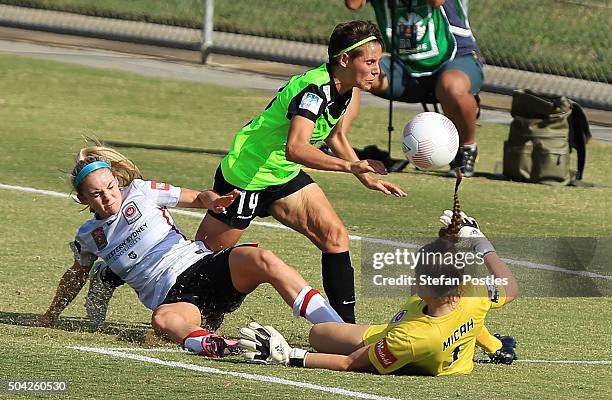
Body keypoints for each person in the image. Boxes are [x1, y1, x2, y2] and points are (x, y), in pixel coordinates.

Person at [35, 145, 344, 357]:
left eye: (111, 188)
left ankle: (337, 330)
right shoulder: (88, 236)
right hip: (173, 298)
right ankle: (232, 347)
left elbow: (197, 198)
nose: (108, 198)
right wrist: (50, 315)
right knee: (164, 322)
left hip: (198, 265)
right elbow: (75, 275)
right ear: (82, 199)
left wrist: (212, 201)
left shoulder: (141, 191)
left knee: (261, 257)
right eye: (96, 194)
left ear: (117, 181)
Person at [194, 20, 407, 324]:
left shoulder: (344, 88)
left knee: (335, 236)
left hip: (283, 175)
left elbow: (334, 137)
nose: (377, 70)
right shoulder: (314, 91)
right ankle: (128, 278)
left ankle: (345, 329)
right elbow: (297, 147)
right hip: (247, 176)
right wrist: (349, 166)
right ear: (344, 60)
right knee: (201, 260)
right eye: (370, 62)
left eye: (378, 62)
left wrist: (367, 178)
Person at [238, 208, 519, 375]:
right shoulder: (471, 293)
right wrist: (479, 242)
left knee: (318, 338)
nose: (413, 274)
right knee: (319, 332)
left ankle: (495, 343)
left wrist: (291, 356)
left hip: (410, 351)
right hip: (435, 334)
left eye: (418, 274)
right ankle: (495, 344)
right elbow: (510, 287)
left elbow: (351, 364)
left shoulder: (412, 337)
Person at [345, 0, 484, 177]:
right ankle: (338, 144)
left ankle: (466, 150)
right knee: (353, 72)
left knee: (452, 86)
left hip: (455, 58)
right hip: (404, 68)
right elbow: (353, 4)